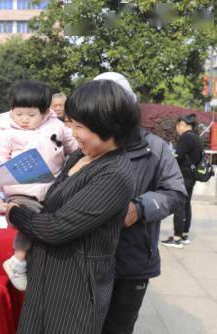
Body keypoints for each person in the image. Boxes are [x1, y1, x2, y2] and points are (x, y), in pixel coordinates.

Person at [6, 79, 138, 333]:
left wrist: (16, 213)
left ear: (108, 126)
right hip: (45, 275)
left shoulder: (114, 173)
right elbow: (52, 203)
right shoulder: (80, 155)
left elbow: (58, 227)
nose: (73, 133)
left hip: (75, 287)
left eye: (79, 126)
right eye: (71, 123)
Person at [95, 72, 187, 334]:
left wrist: (141, 207)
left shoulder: (155, 148)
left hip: (132, 260)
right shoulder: (84, 144)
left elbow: (176, 192)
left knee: (119, 327)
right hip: (88, 259)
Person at [0, 80, 77, 291]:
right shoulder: (5, 131)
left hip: (52, 190)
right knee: (32, 218)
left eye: (31, 115)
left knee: (50, 226)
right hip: (20, 191)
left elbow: (75, 146)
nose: (24, 120)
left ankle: (40, 267)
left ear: (45, 112)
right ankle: (18, 260)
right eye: (19, 114)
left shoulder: (57, 127)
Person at [161, 114, 203, 248]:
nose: (177, 129)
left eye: (177, 126)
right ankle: (184, 234)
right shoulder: (196, 137)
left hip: (184, 176)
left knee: (180, 205)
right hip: (191, 176)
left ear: (183, 125)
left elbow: (177, 156)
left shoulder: (186, 137)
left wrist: (170, 153)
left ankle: (177, 238)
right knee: (186, 204)